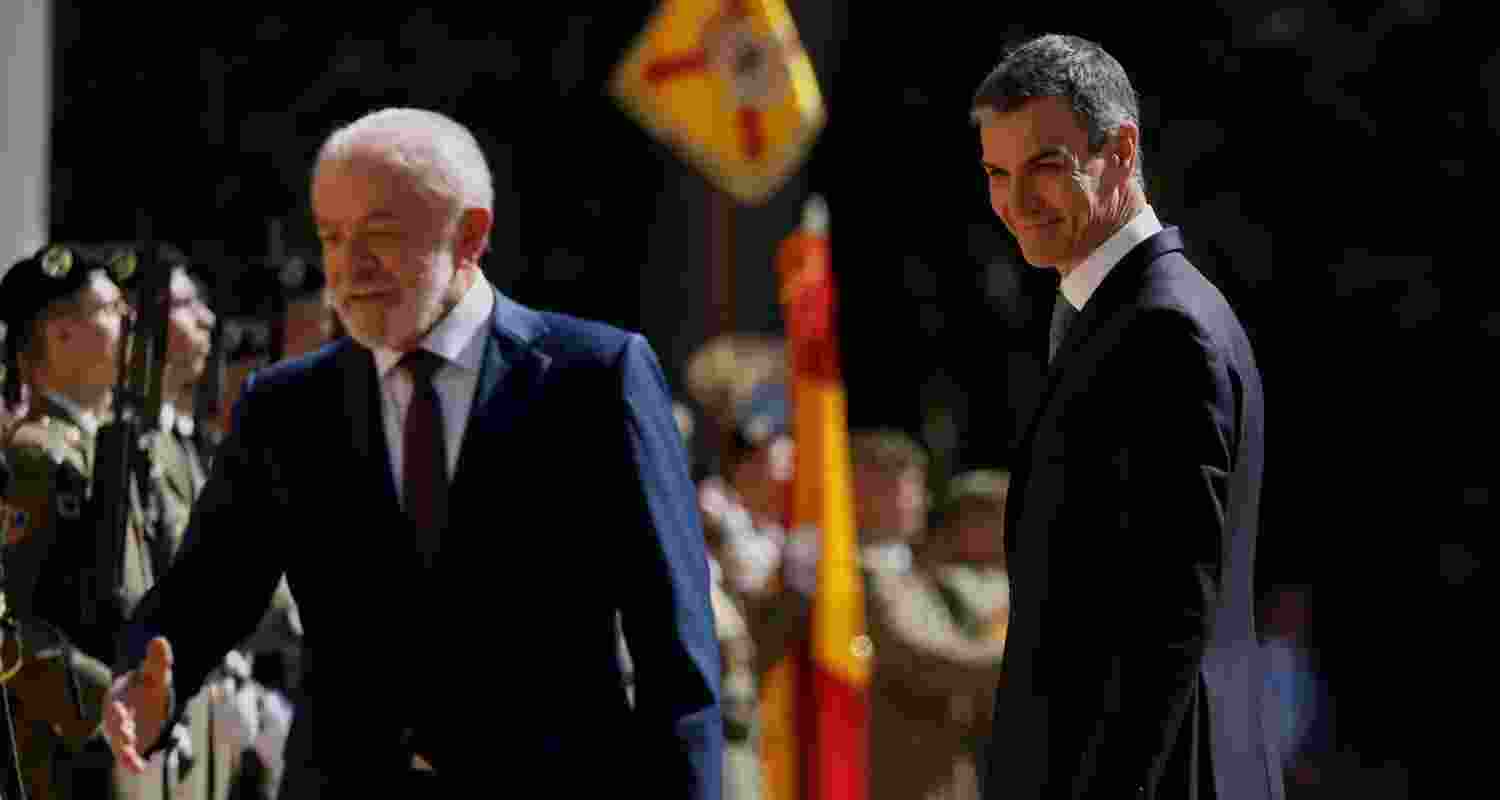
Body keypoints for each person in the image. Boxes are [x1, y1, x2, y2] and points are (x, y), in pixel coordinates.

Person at [104, 107, 722, 796]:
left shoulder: (594, 379)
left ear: (470, 235)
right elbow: (210, 589)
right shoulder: (287, 407)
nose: (350, 267)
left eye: (381, 235)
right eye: (332, 238)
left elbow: (677, 661)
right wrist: (147, 679)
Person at [971, 34, 1279, 798]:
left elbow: (1164, 623)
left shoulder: (1163, 329)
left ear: (1121, 149)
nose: (1017, 202)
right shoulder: (1123, 313)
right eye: (997, 175)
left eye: (1044, 165)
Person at [0, 243, 156, 799]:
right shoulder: (34, 456)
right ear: (61, 334)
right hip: (62, 762)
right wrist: (101, 697)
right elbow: (11, 624)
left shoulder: (101, 449)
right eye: (110, 310)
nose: (128, 322)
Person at [850, 429, 1007, 800]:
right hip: (897, 776)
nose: (920, 500)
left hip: (938, 773)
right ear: (859, 492)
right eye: (900, 487)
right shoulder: (862, 577)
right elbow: (929, 657)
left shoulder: (913, 571)